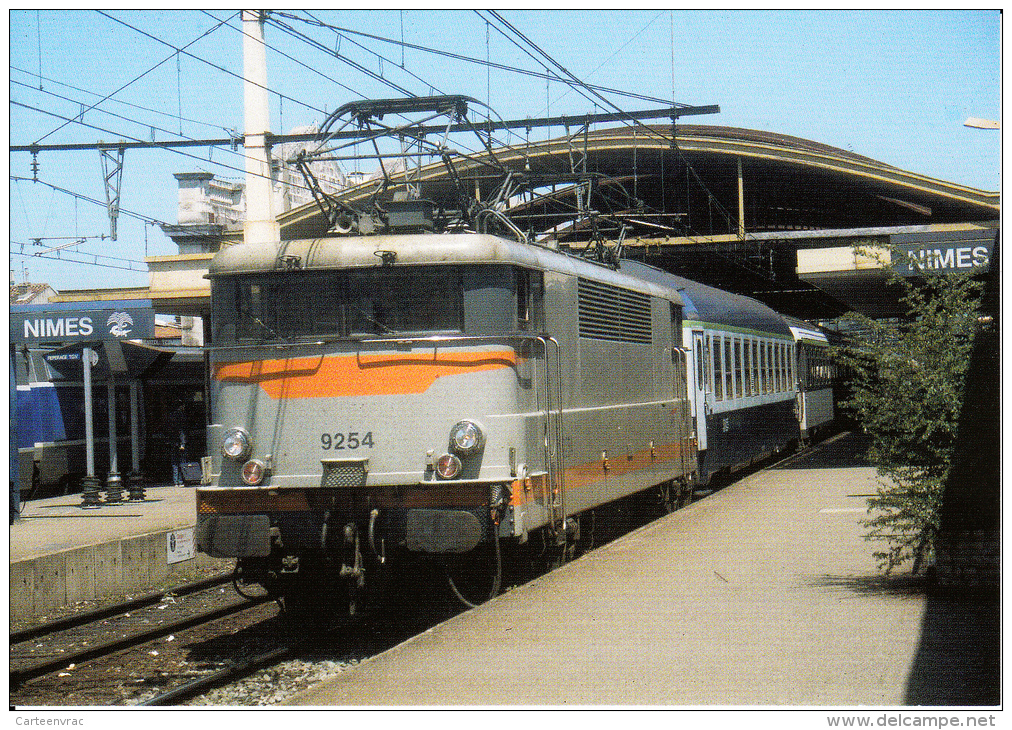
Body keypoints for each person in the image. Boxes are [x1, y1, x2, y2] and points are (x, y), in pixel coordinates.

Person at [166, 401, 187, 487]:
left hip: (173, 442)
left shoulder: (170, 417)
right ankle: (181, 480)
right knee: (182, 462)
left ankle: (176, 481)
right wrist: (183, 443)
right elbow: (182, 430)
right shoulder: (182, 416)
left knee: (174, 463)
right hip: (179, 441)